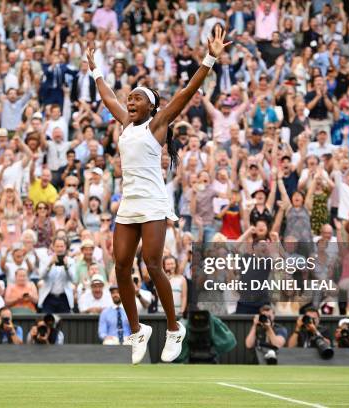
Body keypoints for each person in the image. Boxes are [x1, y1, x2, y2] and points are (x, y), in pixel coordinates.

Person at [85, 25, 229, 365]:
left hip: (152, 202)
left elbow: (186, 93)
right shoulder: (125, 123)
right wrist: (95, 68)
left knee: (152, 263)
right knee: (120, 267)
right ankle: (138, 332)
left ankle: (173, 327)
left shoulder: (158, 124)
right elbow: (107, 97)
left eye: (137, 98)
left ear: (152, 108)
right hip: (128, 203)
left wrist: (209, 57)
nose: (130, 101)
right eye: (130, 97)